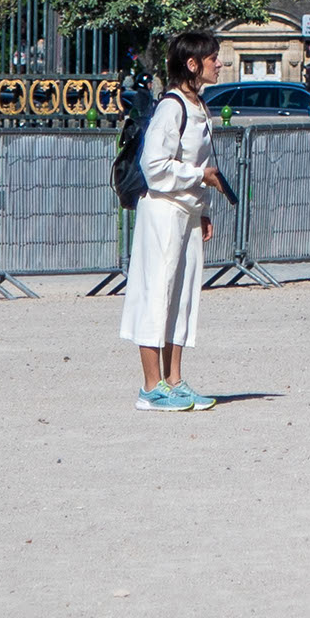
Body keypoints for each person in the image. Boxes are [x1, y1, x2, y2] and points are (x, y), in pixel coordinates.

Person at [121, 41, 225, 411]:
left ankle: (174, 380)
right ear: (193, 63)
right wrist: (199, 176)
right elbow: (155, 165)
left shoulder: (199, 105)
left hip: (188, 212)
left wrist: (205, 209)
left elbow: (202, 160)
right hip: (163, 211)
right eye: (214, 58)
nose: (220, 64)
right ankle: (151, 386)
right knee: (156, 293)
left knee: (181, 295)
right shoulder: (172, 106)